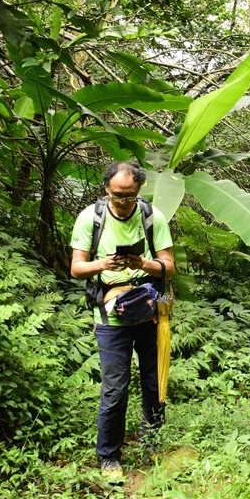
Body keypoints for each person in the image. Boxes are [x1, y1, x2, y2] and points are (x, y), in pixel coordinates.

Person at [70, 161, 175, 481]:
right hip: (110, 316)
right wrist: (104, 263)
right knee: (115, 388)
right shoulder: (91, 218)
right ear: (106, 190)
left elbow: (169, 266)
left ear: (139, 190)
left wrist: (144, 262)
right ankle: (109, 457)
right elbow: (76, 268)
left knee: (153, 382)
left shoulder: (152, 217)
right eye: (117, 195)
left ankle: (152, 443)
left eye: (129, 196)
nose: (123, 201)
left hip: (149, 311)